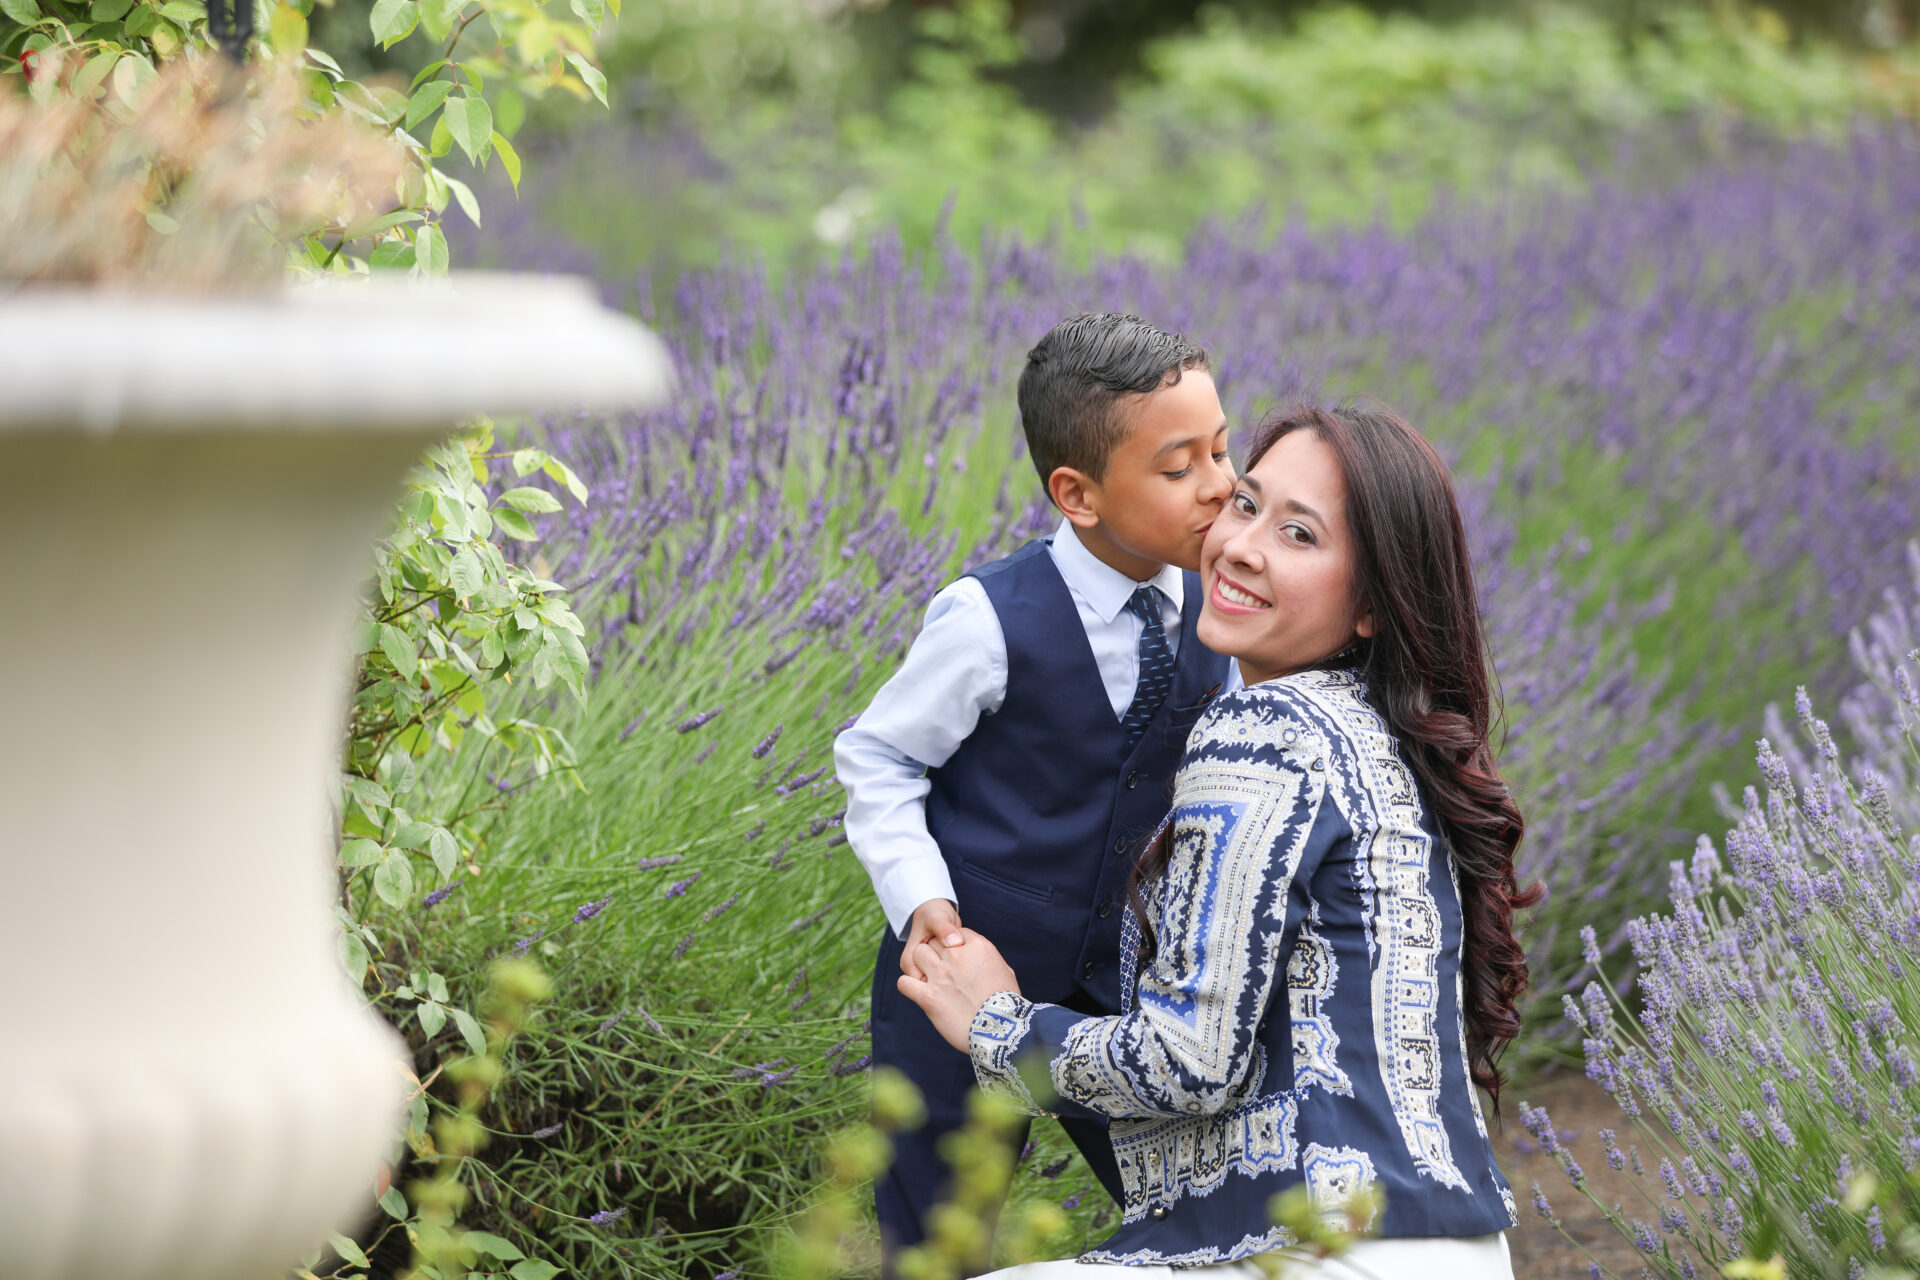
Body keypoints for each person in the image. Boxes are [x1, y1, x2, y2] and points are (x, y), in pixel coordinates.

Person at [901, 401, 1540, 1278]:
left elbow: (1190, 1059)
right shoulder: (1379, 735)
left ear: (1371, 606)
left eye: (1301, 535)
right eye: (1246, 503)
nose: (1242, 546)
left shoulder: (1263, 728)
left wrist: (996, 1026)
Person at [834, 313, 1238, 1266]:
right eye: (1179, 468)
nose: (1221, 486)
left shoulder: (1222, 610)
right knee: (936, 1236)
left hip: (1128, 995)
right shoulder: (986, 621)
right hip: (960, 982)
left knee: (1197, 1203)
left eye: (1224, 450)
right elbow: (879, 757)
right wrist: (920, 897)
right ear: (1078, 493)